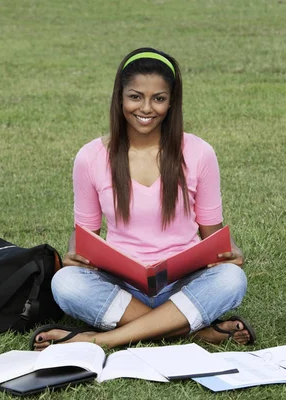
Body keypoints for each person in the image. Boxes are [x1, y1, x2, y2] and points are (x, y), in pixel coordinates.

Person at [31, 48, 255, 350]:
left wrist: (231, 250)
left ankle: (103, 339)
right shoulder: (91, 157)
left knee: (231, 279)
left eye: (158, 98)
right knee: (65, 283)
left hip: (182, 283)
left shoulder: (200, 153)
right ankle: (188, 330)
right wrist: (74, 254)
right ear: (119, 97)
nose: (146, 108)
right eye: (136, 97)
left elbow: (212, 237)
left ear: (171, 101)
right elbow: (83, 236)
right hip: (122, 285)